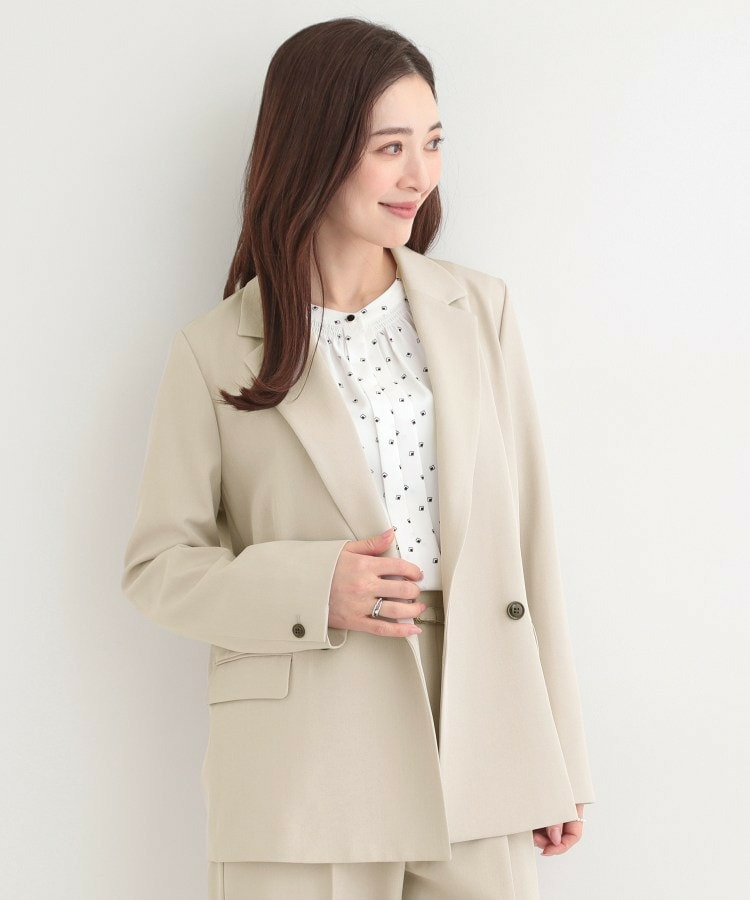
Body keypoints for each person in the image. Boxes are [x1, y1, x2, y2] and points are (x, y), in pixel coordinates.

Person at [121, 16, 596, 900]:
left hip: (478, 738)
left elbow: (530, 541)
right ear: (316, 147)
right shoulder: (215, 350)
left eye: (433, 142)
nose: (421, 175)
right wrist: (313, 586)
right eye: (390, 147)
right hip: (305, 767)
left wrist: (556, 751)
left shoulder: (479, 311)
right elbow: (157, 567)